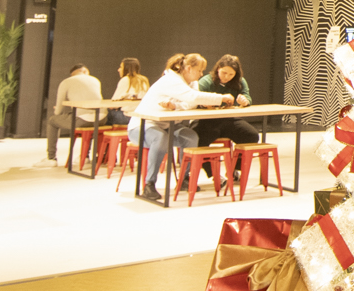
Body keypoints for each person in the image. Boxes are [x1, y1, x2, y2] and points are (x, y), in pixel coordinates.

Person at [129, 53, 219, 199]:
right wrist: (221, 98)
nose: (201, 74)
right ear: (189, 68)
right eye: (200, 70)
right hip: (141, 126)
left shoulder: (192, 83)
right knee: (161, 137)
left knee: (190, 137)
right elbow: (193, 98)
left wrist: (175, 105)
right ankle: (149, 184)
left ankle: (184, 179)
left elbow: (191, 103)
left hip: (167, 125)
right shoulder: (171, 80)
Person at [198, 54, 258, 144]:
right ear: (218, 68)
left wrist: (245, 101)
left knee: (251, 136)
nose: (227, 77)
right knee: (202, 137)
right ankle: (206, 158)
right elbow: (195, 99)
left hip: (229, 119)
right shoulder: (205, 82)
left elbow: (247, 97)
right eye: (224, 73)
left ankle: (238, 158)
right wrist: (203, 104)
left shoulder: (240, 81)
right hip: (206, 120)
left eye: (231, 74)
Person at [51, 63, 103, 162]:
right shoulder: (95, 80)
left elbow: (58, 110)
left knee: (52, 121)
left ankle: (51, 158)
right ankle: (85, 156)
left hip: (83, 119)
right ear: (85, 71)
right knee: (90, 126)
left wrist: (57, 109)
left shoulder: (66, 82)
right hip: (102, 119)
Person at [106, 57, 150, 126]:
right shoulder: (144, 80)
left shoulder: (126, 79)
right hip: (142, 117)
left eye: (121, 67)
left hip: (127, 117)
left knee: (105, 114)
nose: (118, 70)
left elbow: (113, 105)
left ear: (126, 68)